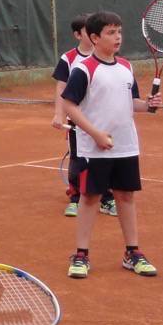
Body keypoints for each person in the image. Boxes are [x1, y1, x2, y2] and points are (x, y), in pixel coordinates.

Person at [59, 11, 161, 279]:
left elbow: (132, 103)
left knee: (126, 196)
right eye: (111, 32)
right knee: (90, 198)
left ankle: (132, 252)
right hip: (94, 149)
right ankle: (81, 254)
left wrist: (148, 105)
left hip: (126, 146)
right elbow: (69, 105)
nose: (118, 37)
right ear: (94, 38)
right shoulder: (83, 69)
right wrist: (95, 134)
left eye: (119, 32)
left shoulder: (126, 66)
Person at [51, 14, 115, 218]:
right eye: (88, 31)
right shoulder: (68, 59)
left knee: (106, 159)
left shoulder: (107, 58)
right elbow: (61, 88)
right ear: (78, 35)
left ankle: (106, 198)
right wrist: (59, 114)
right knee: (78, 159)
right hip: (77, 120)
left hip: (103, 120)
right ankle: (76, 198)